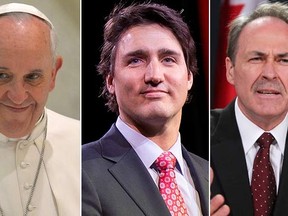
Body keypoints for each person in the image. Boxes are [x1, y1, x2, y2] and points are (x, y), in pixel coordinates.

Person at [82, 2, 209, 216]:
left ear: (189, 77)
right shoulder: (79, 171)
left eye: (168, 59)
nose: (154, 76)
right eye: (136, 60)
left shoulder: (210, 175)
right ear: (110, 81)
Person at [0, 3, 80, 216]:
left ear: (53, 74)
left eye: (33, 77)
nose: (18, 96)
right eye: (2, 76)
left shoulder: (82, 144)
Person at [210, 2, 288, 216]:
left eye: (284, 60)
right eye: (256, 58)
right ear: (230, 70)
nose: (270, 74)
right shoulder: (194, 145)